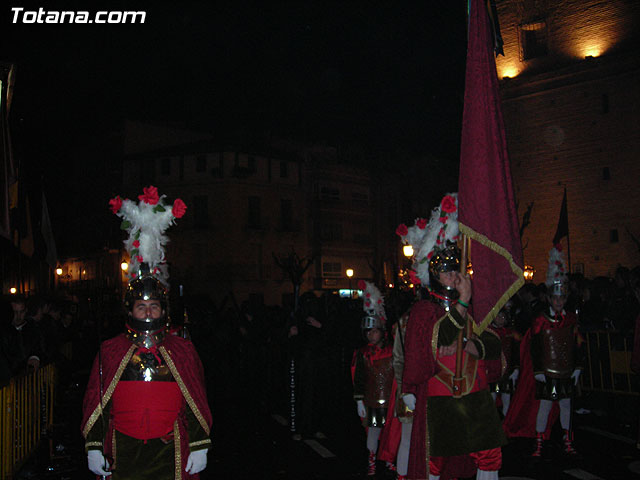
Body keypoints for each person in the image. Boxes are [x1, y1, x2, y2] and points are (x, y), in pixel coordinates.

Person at [81, 187, 212, 479]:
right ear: (130, 310)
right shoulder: (111, 350)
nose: (149, 312)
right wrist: (93, 446)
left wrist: (199, 444)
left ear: (163, 309)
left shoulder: (181, 349)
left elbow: (195, 398)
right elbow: (96, 401)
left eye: (154, 305)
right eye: (142, 306)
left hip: (171, 449)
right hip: (124, 448)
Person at [398, 193, 506, 480]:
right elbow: (436, 340)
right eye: (446, 272)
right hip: (441, 398)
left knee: (489, 458)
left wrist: (475, 346)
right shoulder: (425, 310)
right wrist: (462, 302)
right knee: (436, 463)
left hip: (476, 397)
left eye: (455, 270)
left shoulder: (476, 305)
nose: (452, 276)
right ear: (434, 274)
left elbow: (495, 343)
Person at [504, 245, 584, 457]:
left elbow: (577, 345)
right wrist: (538, 371)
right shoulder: (541, 320)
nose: (559, 302)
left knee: (566, 406)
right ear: (549, 298)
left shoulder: (571, 319)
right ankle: (538, 442)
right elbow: (536, 347)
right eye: (555, 298)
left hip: (566, 371)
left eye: (562, 299)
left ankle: (568, 439)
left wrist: (578, 368)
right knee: (545, 406)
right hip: (547, 372)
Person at [351, 281, 394, 476]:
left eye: (374, 330)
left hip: (391, 401)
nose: (371, 335)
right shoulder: (362, 354)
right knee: (374, 433)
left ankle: (390, 460)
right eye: (368, 331)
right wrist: (359, 399)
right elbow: (358, 377)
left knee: (392, 433)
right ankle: (371, 460)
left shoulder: (393, 351)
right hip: (373, 402)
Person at [485, 303, 521, 417]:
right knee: (491, 400)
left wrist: (516, 369)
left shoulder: (511, 333)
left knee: (507, 400)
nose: (501, 319)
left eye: (503, 317)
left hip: (507, 373)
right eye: (498, 316)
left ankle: (506, 424)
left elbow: (516, 353)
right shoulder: (487, 332)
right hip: (491, 373)